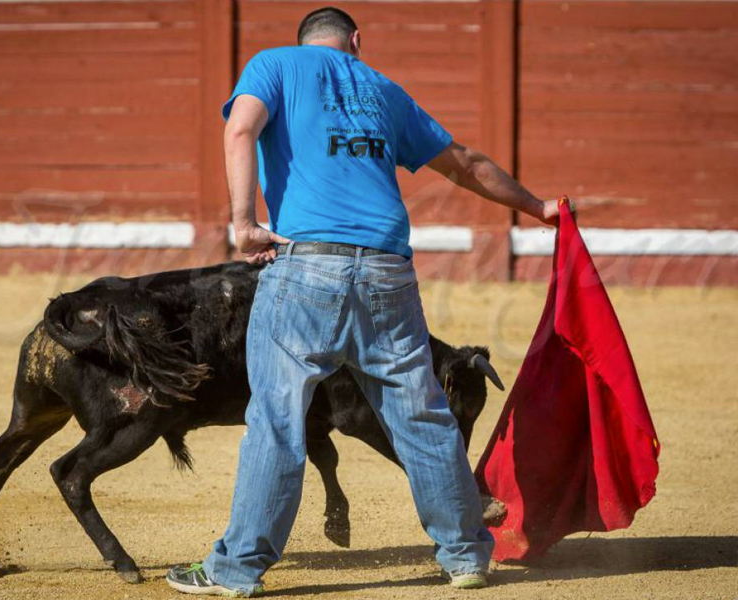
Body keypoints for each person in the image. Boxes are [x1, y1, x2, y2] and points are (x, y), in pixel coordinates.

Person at [166, 7, 567, 597]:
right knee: (423, 417)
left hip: (306, 268)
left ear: (305, 41)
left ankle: (236, 570)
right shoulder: (383, 88)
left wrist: (244, 222)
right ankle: (464, 556)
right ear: (356, 42)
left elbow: (240, 129)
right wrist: (540, 209)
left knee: (276, 422)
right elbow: (467, 165)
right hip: (386, 272)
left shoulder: (272, 64)